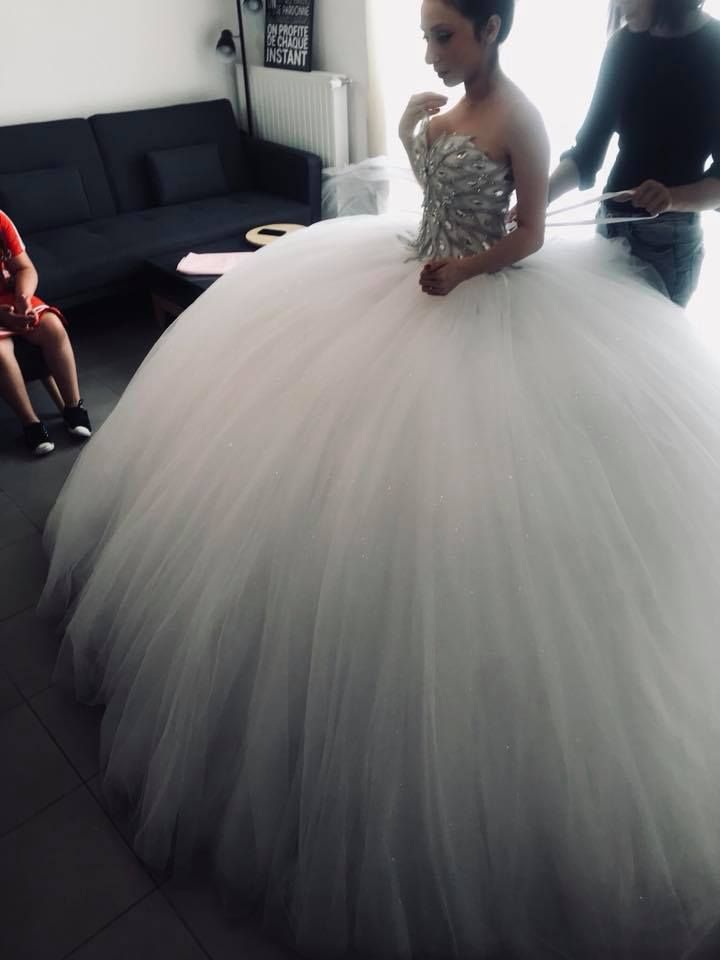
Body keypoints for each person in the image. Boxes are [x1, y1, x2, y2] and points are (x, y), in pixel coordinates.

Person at [39, 1, 720, 957]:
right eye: (426, 34)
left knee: (485, 493)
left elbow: (524, 228)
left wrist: (482, 261)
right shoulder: (486, 93)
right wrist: (413, 129)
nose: (431, 49)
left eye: (445, 34)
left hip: (483, 295)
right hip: (409, 272)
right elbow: (483, 180)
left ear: (490, 30)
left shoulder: (524, 110)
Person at [546, 0, 720, 305]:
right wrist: (537, 200)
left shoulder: (715, 48)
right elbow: (586, 152)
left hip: (668, 244)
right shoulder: (623, 45)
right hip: (610, 228)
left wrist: (670, 198)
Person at [0, 210, 92, 454]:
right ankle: (31, 423)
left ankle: (73, 407)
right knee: (0, 351)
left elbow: (25, 268)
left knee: (52, 326)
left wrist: (23, 298)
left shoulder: (1, 220)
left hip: (12, 296)